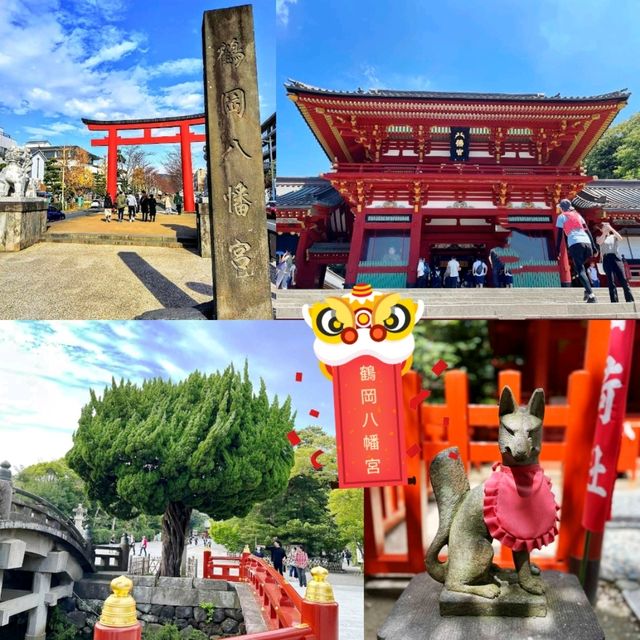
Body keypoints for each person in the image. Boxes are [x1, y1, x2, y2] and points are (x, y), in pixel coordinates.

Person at [555, 199, 598, 303]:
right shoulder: (578, 215)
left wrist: (557, 251)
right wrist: (594, 247)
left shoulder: (561, 217)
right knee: (581, 268)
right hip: (587, 243)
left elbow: (560, 235)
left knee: (580, 270)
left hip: (575, 243)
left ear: (561, 208)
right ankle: (587, 291)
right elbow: (587, 231)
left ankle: (591, 295)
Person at [597, 222, 635, 303]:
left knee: (623, 279)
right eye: (604, 227)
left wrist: (611, 229)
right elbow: (599, 242)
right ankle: (614, 300)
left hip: (616, 257)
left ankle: (629, 299)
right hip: (607, 258)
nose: (606, 227)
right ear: (601, 229)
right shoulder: (599, 237)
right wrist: (604, 232)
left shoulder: (614, 236)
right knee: (611, 280)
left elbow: (620, 238)